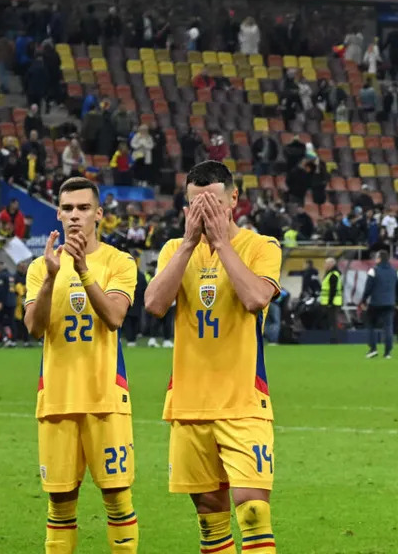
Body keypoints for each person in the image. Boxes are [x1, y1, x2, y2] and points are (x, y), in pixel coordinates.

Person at [143, 161, 283, 553]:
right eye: (194, 206)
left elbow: (256, 298)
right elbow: (153, 304)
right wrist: (189, 243)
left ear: (234, 199)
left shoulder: (262, 247)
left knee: (253, 511)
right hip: (189, 404)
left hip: (243, 402)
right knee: (210, 517)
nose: (203, 213)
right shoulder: (174, 249)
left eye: (213, 204)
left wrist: (221, 243)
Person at [23, 177, 140, 553]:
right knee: (59, 504)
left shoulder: (120, 262)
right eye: (68, 209)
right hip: (56, 400)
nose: (75, 216)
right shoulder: (41, 267)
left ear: (99, 215)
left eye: (84, 208)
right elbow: (33, 328)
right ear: (58, 213)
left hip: (106, 398)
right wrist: (51, 279)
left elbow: (114, 317)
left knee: (118, 500)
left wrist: (83, 271)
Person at [360, 250, 398, 359]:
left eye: (376, 257)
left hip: (376, 303)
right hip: (390, 303)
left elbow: (368, 287)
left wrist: (363, 301)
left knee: (370, 325)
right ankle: (387, 353)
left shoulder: (374, 270)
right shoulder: (394, 271)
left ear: (380, 259)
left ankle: (373, 349)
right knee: (388, 327)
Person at [319, 257, 343, 330]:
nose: (325, 265)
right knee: (330, 322)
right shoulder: (331, 274)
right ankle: (331, 338)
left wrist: (330, 302)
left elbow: (333, 289)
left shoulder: (333, 274)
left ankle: (335, 339)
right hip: (329, 302)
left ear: (331, 264)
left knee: (333, 322)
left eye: (326, 264)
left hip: (332, 303)